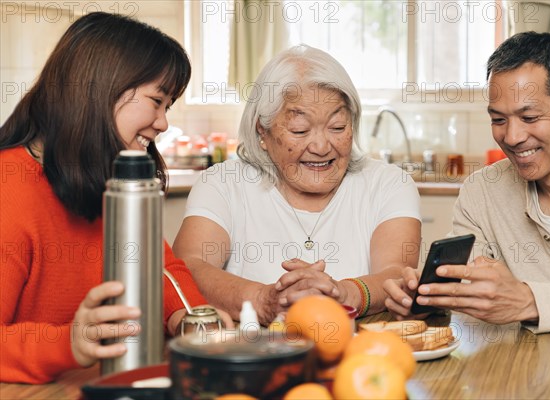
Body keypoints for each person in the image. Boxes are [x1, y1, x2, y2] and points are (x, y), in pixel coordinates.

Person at [0, 12, 231, 384]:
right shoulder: (8, 189)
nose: (164, 122)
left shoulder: (109, 180)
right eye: (157, 101)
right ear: (99, 89)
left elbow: (162, 269)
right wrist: (69, 343)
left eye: (168, 106)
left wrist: (190, 318)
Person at [172, 45, 422, 326]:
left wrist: (345, 293)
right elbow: (187, 267)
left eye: (337, 127)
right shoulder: (222, 184)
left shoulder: (389, 184)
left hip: (361, 358)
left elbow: (397, 272)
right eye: (300, 131)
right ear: (262, 131)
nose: (321, 146)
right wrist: (263, 300)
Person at [384, 32, 550, 333]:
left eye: (530, 117)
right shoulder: (481, 192)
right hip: (515, 374)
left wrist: (530, 301)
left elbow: (518, 301)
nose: (511, 137)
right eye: (498, 120)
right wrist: (427, 300)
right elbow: (469, 283)